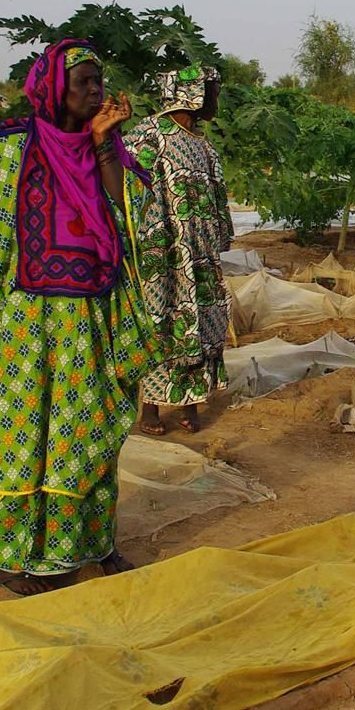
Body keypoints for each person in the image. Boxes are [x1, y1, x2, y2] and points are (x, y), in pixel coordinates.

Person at [0, 38, 156, 595]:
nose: (97, 91)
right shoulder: (9, 150)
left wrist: (106, 143)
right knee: (24, 435)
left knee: (85, 432)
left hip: (89, 318)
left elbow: (127, 214)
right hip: (24, 324)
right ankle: (11, 559)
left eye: (99, 82)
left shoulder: (102, 152)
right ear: (54, 87)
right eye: (85, 81)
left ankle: (89, 545)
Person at [124, 64, 233, 436]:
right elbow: (126, 189)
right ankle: (150, 408)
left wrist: (217, 241)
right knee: (162, 319)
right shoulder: (149, 135)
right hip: (162, 253)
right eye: (211, 90)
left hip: (198, 254)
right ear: (192, 93)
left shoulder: (202, 145)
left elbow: (217, 198)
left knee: (202, 319)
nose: (215, 99)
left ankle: (189, 400)